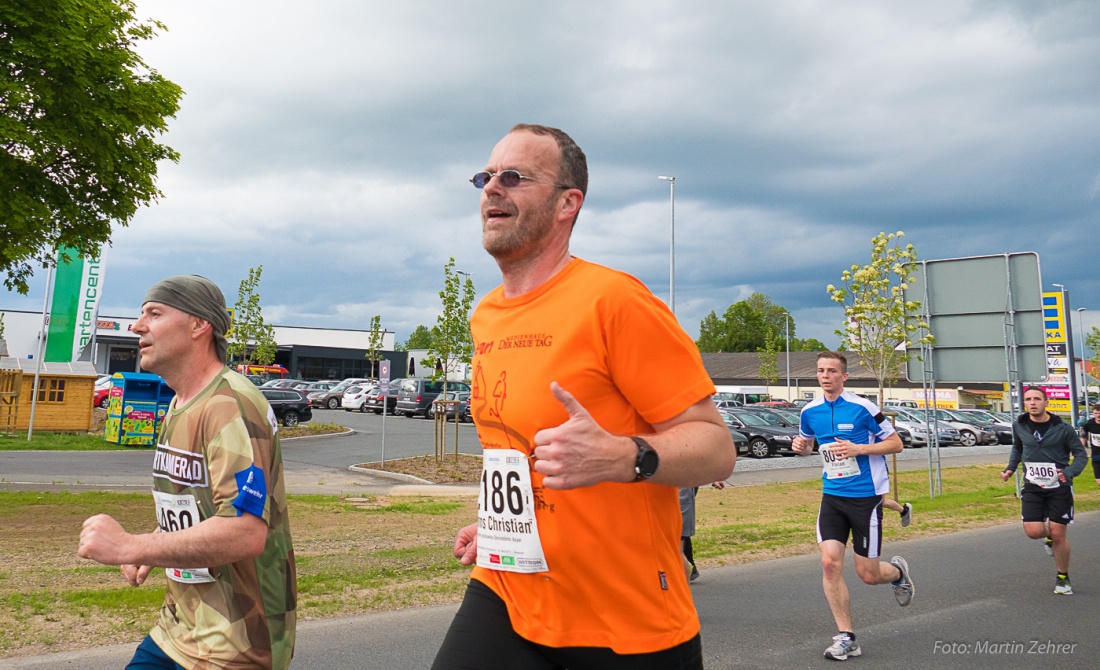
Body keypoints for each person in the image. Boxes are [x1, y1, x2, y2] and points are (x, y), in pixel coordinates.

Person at [430, 124, 736, 670]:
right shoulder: (485, 316)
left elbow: (716, 448)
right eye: (486, 176)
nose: (491, 188)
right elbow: (518, 449)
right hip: (510, 588)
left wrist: (626, 455)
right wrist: (504, 525)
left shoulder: (615, 301)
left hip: (625, 619)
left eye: (514, 177)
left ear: (568, 202)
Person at [77, 275, 296, 670]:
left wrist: (133, 546)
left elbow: (245, 531)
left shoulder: (230, 405)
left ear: (199, 325)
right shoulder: (180, 403)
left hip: (235, 644)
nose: (137, 326)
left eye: (154, 313)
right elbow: (202, 508)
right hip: (179, 628)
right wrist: (158, 540)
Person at [791, 351, 913, 661]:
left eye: (832, 370)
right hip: (832, 495)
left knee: (868, 574)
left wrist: (860, 448)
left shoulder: (863, 407)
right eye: (820, 370)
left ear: (844, 376)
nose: (825, 375)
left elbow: (896, 443)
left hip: (866, 498)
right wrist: (801, 447)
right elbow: (807, 447)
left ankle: (898, 573)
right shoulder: (810, 411)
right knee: (830, 563)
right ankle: (846, 636)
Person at [999, 387, 1088, 595]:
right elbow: (1018, 448)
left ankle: (1063, 577)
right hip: (1033, 486)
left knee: (1059, 533)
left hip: (1059, 486)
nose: (1032, 402)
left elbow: (1081, 455)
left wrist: (1070, 472)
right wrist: (1010, 469)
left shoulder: (1063, 428)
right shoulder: (1019, 425)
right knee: (1034, 532)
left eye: (1037, 399)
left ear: (1046, 402)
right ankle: (1048, 537)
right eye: (1028, 399)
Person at [1080, 404, 1100, 487]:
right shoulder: (1088, 424)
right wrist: (1082, 449)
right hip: (1096, 455)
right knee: (1098, 481)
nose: (1098, 415)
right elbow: (1083, 436)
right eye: (1096, 413)